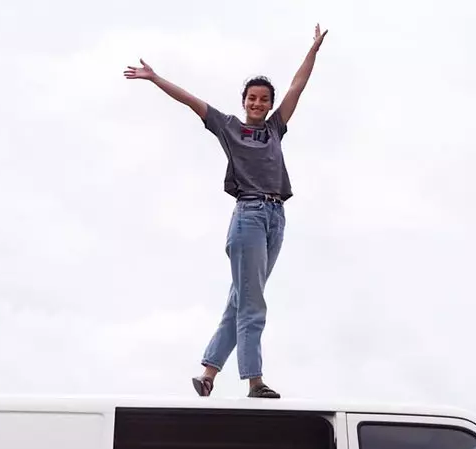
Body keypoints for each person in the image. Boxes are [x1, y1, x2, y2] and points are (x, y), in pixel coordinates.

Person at [124, 24, 328, 399]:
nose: (258, 104)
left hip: (275, 218)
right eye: (252, 98)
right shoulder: (228, 127)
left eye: (264, 99)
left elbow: (298, 85)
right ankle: (255, 381)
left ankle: (208, 374)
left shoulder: (275, 130)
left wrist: (313, 49)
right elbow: (190, 100)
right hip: (248, 217)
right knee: (253, 304)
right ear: (244, 101)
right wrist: (154, 78)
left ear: (269, 104)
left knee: (241, 300)